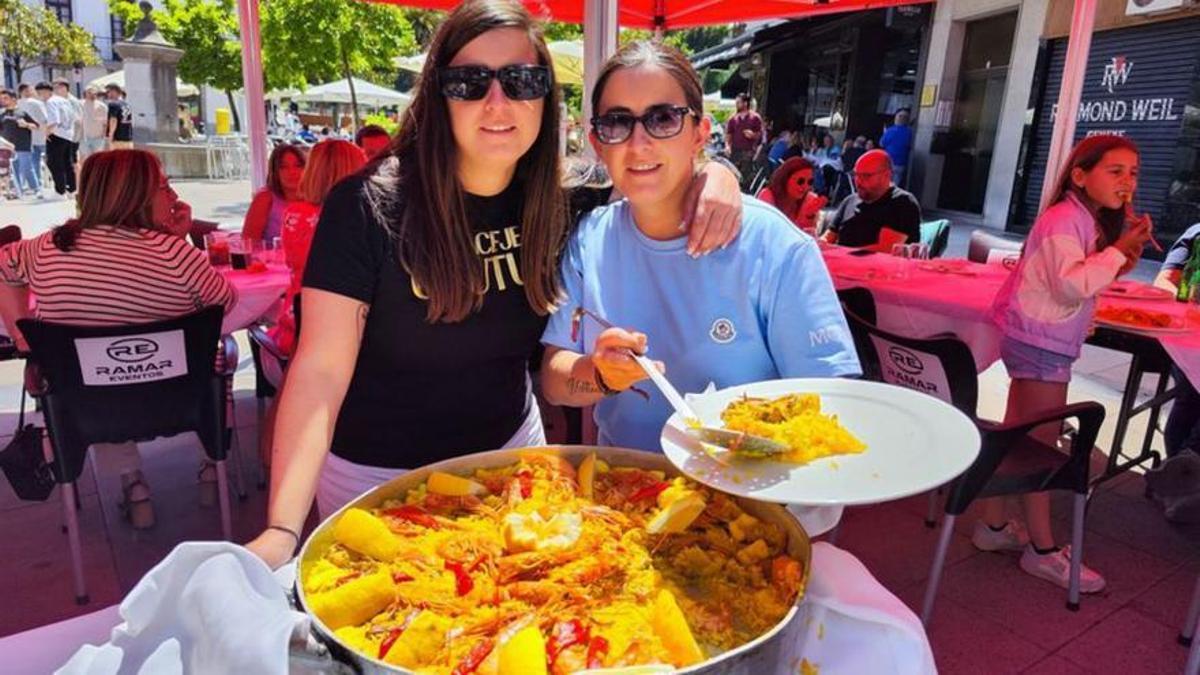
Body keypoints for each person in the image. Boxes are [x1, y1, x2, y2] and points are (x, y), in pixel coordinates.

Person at [243, 0, 744, 570]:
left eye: (522, 80)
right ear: (439, 95)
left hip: (512, 457)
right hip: (379, 482)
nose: (498, 102)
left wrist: (717, 173)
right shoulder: (368, 206)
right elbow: (319, 373)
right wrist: (282, 530)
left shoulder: (562, 196)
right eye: (470, 82)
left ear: (545, 98)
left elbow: (657, 170)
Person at [539, 40, 860, 452]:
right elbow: (554, 378)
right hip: (627, 491)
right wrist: (599, 374)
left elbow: (830, 398)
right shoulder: (590, 239)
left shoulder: (772, 244)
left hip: (749, 492)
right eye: (617, 123)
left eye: (663, 118)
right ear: (598, 142)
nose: (639, 143)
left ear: (700, 133)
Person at [0, 150, 236, 529]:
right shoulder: (174, 254)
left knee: (94, 370)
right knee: (213, 355)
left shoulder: (46, 248)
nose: (173, 195)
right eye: (163, 186)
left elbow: (3, 266)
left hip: (89, 408)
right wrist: (176, 243)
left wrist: (22, 334)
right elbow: (225, 302)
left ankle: (133, 484)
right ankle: (211, 465)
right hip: (178, 399)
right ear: (136, 195)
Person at [986, 135, 1154, 592]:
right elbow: (1070, 285)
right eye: (1115, 171)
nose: (1127, 182)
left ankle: (995, 525)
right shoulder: (1065, 219)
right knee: (1041, 447)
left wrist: (1119, 252)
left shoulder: (1078, 218)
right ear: (1080, 175)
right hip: (1042, 341)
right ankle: (1041, 551)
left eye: (1133, 173)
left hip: (1033, 336)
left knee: (1018, 434)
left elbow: (1076, 279)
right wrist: (1119, 251)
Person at [274, 140, 367, 355]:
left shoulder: (295, 213)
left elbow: (293, 263)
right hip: (351, 334)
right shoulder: (361, 217)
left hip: (302, 326)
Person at [1153, 224, 1200, 459]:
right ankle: (1178, 475)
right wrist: (1188, 305)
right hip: (1191, 341)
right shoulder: (1197, 235)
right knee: (1189, 400)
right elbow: (1164, 281)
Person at [824, 149, 921, 249]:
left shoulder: (903, 203)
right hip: (839, 261)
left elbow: (885, 249)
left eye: (866, 176)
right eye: (856, 175)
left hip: (877, 264)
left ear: (886, 175)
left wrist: (838, 254)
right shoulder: (849, 201)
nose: (858, 181)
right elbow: (828, 238)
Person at [241, 144, 306, 243]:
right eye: (283, 167)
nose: (292, 172)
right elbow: (248, 243)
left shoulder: (315, 197)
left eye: (298, 165)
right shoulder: (265, 198)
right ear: (275, 172)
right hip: (272, 257)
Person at [758, 157, 827, 234]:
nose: (806, 187)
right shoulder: (768, 195)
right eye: (800, 181)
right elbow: (766, 231)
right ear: (785, 179)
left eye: (810, 182)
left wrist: (809, 216)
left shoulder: (810, 199)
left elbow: (808, 236)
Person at [40, 81, 78, 196]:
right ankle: (71, 189)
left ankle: (60, 190)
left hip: (56, 135)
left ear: (45, 91)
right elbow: (73, 117)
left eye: (40, 93)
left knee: (54, 162)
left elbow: (54, 120)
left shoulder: (51, 102)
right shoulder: (65, 101)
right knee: (67, 163)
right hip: (68, 134)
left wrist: (47, 132)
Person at [0, 88, 39, 199]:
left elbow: (36, 126)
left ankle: (36, 188)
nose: (3, 101)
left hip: (23, 144)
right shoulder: (1, 114)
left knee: (26, 167)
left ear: (14, 99)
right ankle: (16, 191)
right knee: (12, 170)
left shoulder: (22, 113)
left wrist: (26, 124)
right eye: (1, 98)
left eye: (5, 98)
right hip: (7, 147)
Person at [725, 92, 763, 187]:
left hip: (748, 152)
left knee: (745, 179)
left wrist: (753, 135)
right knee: (732, 176)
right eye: (736, 102)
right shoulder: (733, 119)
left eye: (739, 102)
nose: (736, 104)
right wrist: (727, 146)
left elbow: (760, 136)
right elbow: (728, 135)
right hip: (735, 151)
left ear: (745, 103)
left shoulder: (755, 118)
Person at [16, 84, 47, 197]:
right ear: (27, 91)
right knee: (50, 160)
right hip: (41, 135)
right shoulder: (37, 103)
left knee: (32, 163)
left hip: (26, 138)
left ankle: (35, 185)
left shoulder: (17, 104)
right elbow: (45, 118)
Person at [880, 109, 913, 187]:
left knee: (885, 185)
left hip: (888, 162)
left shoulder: (890, 131)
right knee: (895, 186)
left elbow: (881, 144)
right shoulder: (910, 132)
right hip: (901, 163)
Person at [79, 87, 109, 161]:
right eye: (89, 92)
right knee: (84, 159)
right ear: (85, 93)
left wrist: (103, 135)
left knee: (98, 159)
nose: (92, 94)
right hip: (84, 137)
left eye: (94, 93)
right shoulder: (80, 104)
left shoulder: (102, 106)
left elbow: (105, 122)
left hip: (98, 137)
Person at [105, 84, 134, 150]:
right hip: (128, 138)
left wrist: (111, 135)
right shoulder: (127, 104)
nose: (107, 94)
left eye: (108, 92)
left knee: (116, 159)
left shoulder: (113, 104)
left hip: (118, 139)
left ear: (114, 91)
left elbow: (113, 120)